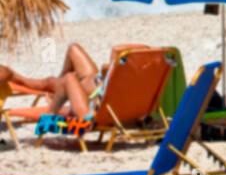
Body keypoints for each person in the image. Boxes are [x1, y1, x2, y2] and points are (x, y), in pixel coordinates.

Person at [0, 43, 146, 120]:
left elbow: (78, 112)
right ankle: (59, 90)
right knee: (73, 48)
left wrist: (54, 106)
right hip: (96, 83)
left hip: (90, 103)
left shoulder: (119, 79)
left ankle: (53, 106)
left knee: (65, 79)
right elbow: (118, 57)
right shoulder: (141, 79)